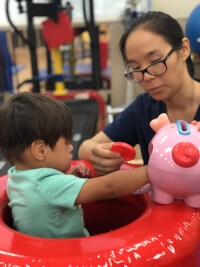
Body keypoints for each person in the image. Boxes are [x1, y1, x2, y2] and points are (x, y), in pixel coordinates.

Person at [0, 92, 148, 238]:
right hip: (66, 257)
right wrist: (150, 171)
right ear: (40, 150)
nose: (71, 148)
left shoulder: (16, 175)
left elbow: (44, 199)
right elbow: (109, 188)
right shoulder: (48, 184)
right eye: (66, 143)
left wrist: (70, 178)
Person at [78, 11, 200, 176]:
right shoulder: (143, 109)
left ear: (184, 49)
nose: (147, 76)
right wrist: (99, 153)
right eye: (136, 68)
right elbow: (86, 147)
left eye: (156, 61)